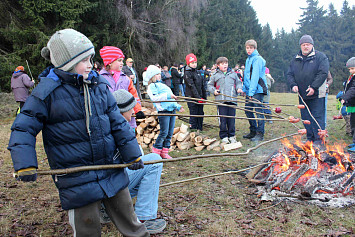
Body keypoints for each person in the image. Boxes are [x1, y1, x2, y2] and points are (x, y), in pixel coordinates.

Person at [7, 29, 149, 236]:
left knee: (131, 221)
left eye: (91, 58)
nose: (91, 64)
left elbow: (117, 122)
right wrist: (25, 164)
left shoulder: (98, 85)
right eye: (84, 60)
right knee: (87, 228)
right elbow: (23, 129)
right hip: (76, 177)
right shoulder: (46, 93)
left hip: (109, 167)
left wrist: (132, 153)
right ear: (66, 62)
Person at [99, 89, 166, 234]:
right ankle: (143, 218)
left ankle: (105, 209)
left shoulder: (102, 124)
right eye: (131, 110)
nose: (133, 113)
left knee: (144, 161)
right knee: (154, 161)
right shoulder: (119, 129)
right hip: (110, 185)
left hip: (102, 185)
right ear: (124, 111)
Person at [287, 34, 329, 143]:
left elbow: (323, 73)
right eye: (304, 45)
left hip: (317, 94)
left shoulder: (320, 57)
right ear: (300, 46)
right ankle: (310, 138)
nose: (306, 47)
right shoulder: (296, 59)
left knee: (317, 117)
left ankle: (319, 140)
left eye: (308, 44)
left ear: (312, 45)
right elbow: (289, 74)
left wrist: (314, 87)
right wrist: (293, 85)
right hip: (302, 94)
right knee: (306, 118)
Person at [99, 46, 145, 129]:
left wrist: (138, 109)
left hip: (127, 120)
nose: (122, 63)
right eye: (119, 60)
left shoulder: (126, 79)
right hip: (109, 120)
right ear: (110, 62)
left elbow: (134, 95)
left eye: (122, 61)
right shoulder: (100, 79)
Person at [144, 65, 185, 159]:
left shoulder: (163, 85)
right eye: (157, 74)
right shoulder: (151, 86)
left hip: (172, 111)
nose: (159, 75)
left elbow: (171, 99)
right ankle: (156, 151)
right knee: (164, 132)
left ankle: (165, 151)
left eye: (159, 73)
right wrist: (167, 96)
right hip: (163, 112)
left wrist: (177, 106)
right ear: (152, 76)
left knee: (170, 132)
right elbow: (155, 98)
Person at [208, 57, 243, 144]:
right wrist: (214, 91)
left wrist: (239, 88)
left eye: (226, 63)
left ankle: (231, 135)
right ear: (218, 65)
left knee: (231, 119)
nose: (225, 65)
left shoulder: (233, 74)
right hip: (221, 101)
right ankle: (224, 136)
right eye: (223, 63)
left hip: (232, 100)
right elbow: (209, 85)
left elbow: (238, 82)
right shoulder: (215, 75)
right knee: (222, 119)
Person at [242, 39, 268, 142]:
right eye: (247, 48)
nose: (249, 50)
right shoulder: (248, 59)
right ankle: (253, 130)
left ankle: (260, 133)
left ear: (255, 48)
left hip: (258, 89)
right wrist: (245, 89)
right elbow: (246, 76)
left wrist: (251, 92)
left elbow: (255, 77)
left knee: (258, 111)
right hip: (250, 90)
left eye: (251, 48)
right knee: (248, 110)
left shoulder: (257, 59)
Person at [183, 53, 206, 132]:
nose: (194, 64)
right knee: (194, 113)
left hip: (199, 96)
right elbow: (191, 86)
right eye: (192, 63)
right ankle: (193, 128)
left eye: (195, 62)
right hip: (191, 96)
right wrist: (197, 98)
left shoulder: (198, 72)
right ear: (188, 63)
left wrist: (204, 97)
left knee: (200, 113)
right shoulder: (187, 73)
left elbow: (202, 85)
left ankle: (200, 128)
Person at [340, 57, 355, 152]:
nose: (350, 71)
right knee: (353, 123)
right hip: (353, 105)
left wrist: (345, 98)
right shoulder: (351, 77)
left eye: (352, 68)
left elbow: (353, 89)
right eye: (349, 69)